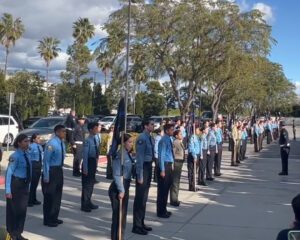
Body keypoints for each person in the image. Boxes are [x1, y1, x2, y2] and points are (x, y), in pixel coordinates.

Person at [5, 134, 31, 240]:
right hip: (16, 184)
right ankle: (12, 233)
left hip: (24, 185)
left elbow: (29, 171)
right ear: (19, 143)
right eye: (25, 141)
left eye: (28, 141)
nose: (27, 143)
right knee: (13, 210)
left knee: (22, 210)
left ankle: (18, 232)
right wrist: (8, 190)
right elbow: (9, 173)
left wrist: (28, 185)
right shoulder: (15, 156)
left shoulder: (27, 154)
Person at [109, 134, 134, 240]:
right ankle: (115, 237)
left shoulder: (127, 154)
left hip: (125, 186)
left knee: (122, 215)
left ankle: (121, 237)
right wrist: (121, 190)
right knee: (118, 216)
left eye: (132, 142)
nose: (131, 144)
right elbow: (116, 174)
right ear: (123, 143)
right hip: (118, 188)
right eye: (129, 142)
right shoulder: (120, 155)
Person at [132, 119, 155, 235]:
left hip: (149, 166)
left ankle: (141, 222)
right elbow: (139, 158)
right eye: (151, 124)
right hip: (143, 168)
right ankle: (136, 225)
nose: (153, 126)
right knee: (140, 198)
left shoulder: (150, 137)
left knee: (144, 198)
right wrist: (140, 175)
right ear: (146, 126)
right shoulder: (142, 138)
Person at [42, 125, 66, 227]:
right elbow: (46, 160)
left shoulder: (62, 143)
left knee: (57, 195)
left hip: (59, 170)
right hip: (51, 171)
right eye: (62, 131)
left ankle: (54, 217)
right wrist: (46, 175)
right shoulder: (51, 144)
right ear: (56, 132)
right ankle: (47, 220)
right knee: (50, 196)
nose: (64, 133)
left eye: (65, 131)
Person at [81, 122, 100, 212]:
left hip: (93, 162)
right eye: (95, 128)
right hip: (88, 162)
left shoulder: (95, 138)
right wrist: (85, 168)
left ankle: (89, 201)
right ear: (91, 129)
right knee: (86, 185)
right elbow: (85, 155)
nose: (97, 130)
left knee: (91, 184)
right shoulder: (87, 140)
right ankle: (84, 204)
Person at [157, 124, 175, 218]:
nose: (173, 131)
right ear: (167, 130)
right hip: (164, 165)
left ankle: (164, 209)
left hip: (169, 165)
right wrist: (162, 170)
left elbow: (170, 153)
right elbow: (161, 156)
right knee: (162, 191)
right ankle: (160, 211)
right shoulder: (163, 140)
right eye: (171, 129)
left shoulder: (169, 139)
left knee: (167, 189)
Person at [170, 130, 185, 206]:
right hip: (176, 162)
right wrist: (172, 164)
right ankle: (173, 200)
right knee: (175, 182)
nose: (181, 135)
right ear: (176, 136)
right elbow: (173, 153)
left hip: (180, 162)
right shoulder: (175, 142)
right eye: (180, 134)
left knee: (177, 181)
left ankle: (175, 198)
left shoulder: (180, 142)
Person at [28, 133, 43, 207]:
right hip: (33, 165)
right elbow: (28, 156)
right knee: (32, 184)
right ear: (33, 139)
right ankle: (29, 200)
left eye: (40, 138)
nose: (39, 139)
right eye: (38, 138)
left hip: (39, 165)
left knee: (36, 183)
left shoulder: (40, 147)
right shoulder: (31, 146)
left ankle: (34, 199)